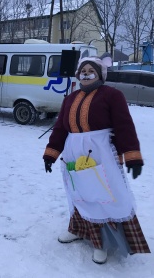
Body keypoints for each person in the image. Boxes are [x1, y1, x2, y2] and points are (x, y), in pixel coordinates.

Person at [43, 54, 151, 264]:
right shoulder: (70, 98)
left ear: (100, 74)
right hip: (73, 153)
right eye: (82, 72)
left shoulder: (112, 95)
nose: (86, 75)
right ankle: (78, 229)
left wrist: (132, 157)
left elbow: (124, 126)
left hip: (101, 154)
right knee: (79, 194)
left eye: (90, 71)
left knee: (102, 196)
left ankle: (101, 241)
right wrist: (51, 154)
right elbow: (60, 129)